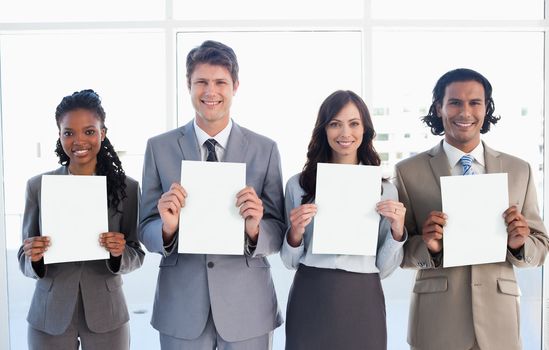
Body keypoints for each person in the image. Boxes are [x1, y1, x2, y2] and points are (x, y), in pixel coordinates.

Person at [139, 40, 285, 350]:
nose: (211, 91)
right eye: (201, 82)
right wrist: (166, 227)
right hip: (181, 307)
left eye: (220, 82)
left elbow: (279, 229)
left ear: (235, 86)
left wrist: (255, 228)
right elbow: (144, 227)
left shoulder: (265, 149)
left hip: (248, 307)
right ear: (188, 85)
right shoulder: (159, 148)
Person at [395, 68, 549, 350]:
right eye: (454, 102)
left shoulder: (518, 170)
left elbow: (540, 248)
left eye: (474, 102)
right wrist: (429, 247)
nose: (464, 112)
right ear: (438, 108)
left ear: (486, 108)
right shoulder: (407, 172)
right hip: (436, 323)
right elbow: (399, 253)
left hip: (498, 324)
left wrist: (519, 244)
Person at [18, 89, 144, 350]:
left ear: (102, 133)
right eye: (68, 132)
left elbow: (137, 253)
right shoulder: (38, 187)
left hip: (107, 314)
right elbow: (24, 256)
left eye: (89, 131)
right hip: (49, 314)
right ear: (60, 135)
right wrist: (34, 257)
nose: (78, 141)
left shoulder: (127, 189)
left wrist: (119, 253)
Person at [280, 90, 406, 350]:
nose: (345, 133)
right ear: (323, 130)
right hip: (311, 292)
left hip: (363, 297)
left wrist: (396, 231)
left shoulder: (384, 190)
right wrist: (295, 233)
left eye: (354, 124)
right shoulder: (299, 186)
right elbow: (290, 261)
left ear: (365, 130)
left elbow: (384, 268)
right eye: (335, 124)